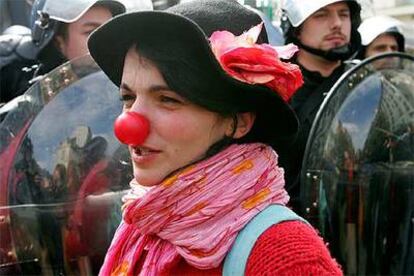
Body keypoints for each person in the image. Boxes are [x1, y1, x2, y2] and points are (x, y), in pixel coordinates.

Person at [87, 0, 343, 274]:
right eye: (128, 97)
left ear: (238, 122)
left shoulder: (288, 257)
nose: (128, 124)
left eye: (167, 99)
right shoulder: (143, 219)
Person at [279, 0, 361, 210]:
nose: (337, 24)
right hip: (291, 225)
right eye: (321, 15)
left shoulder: (366, 83)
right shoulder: (275, 86)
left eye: (343, 14)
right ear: (296, 29)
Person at [0, 0, 126, 104]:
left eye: (109, 31)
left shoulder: (128, 85)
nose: (105, 42)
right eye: (91, 32)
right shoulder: (33, 98)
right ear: (58, 43)